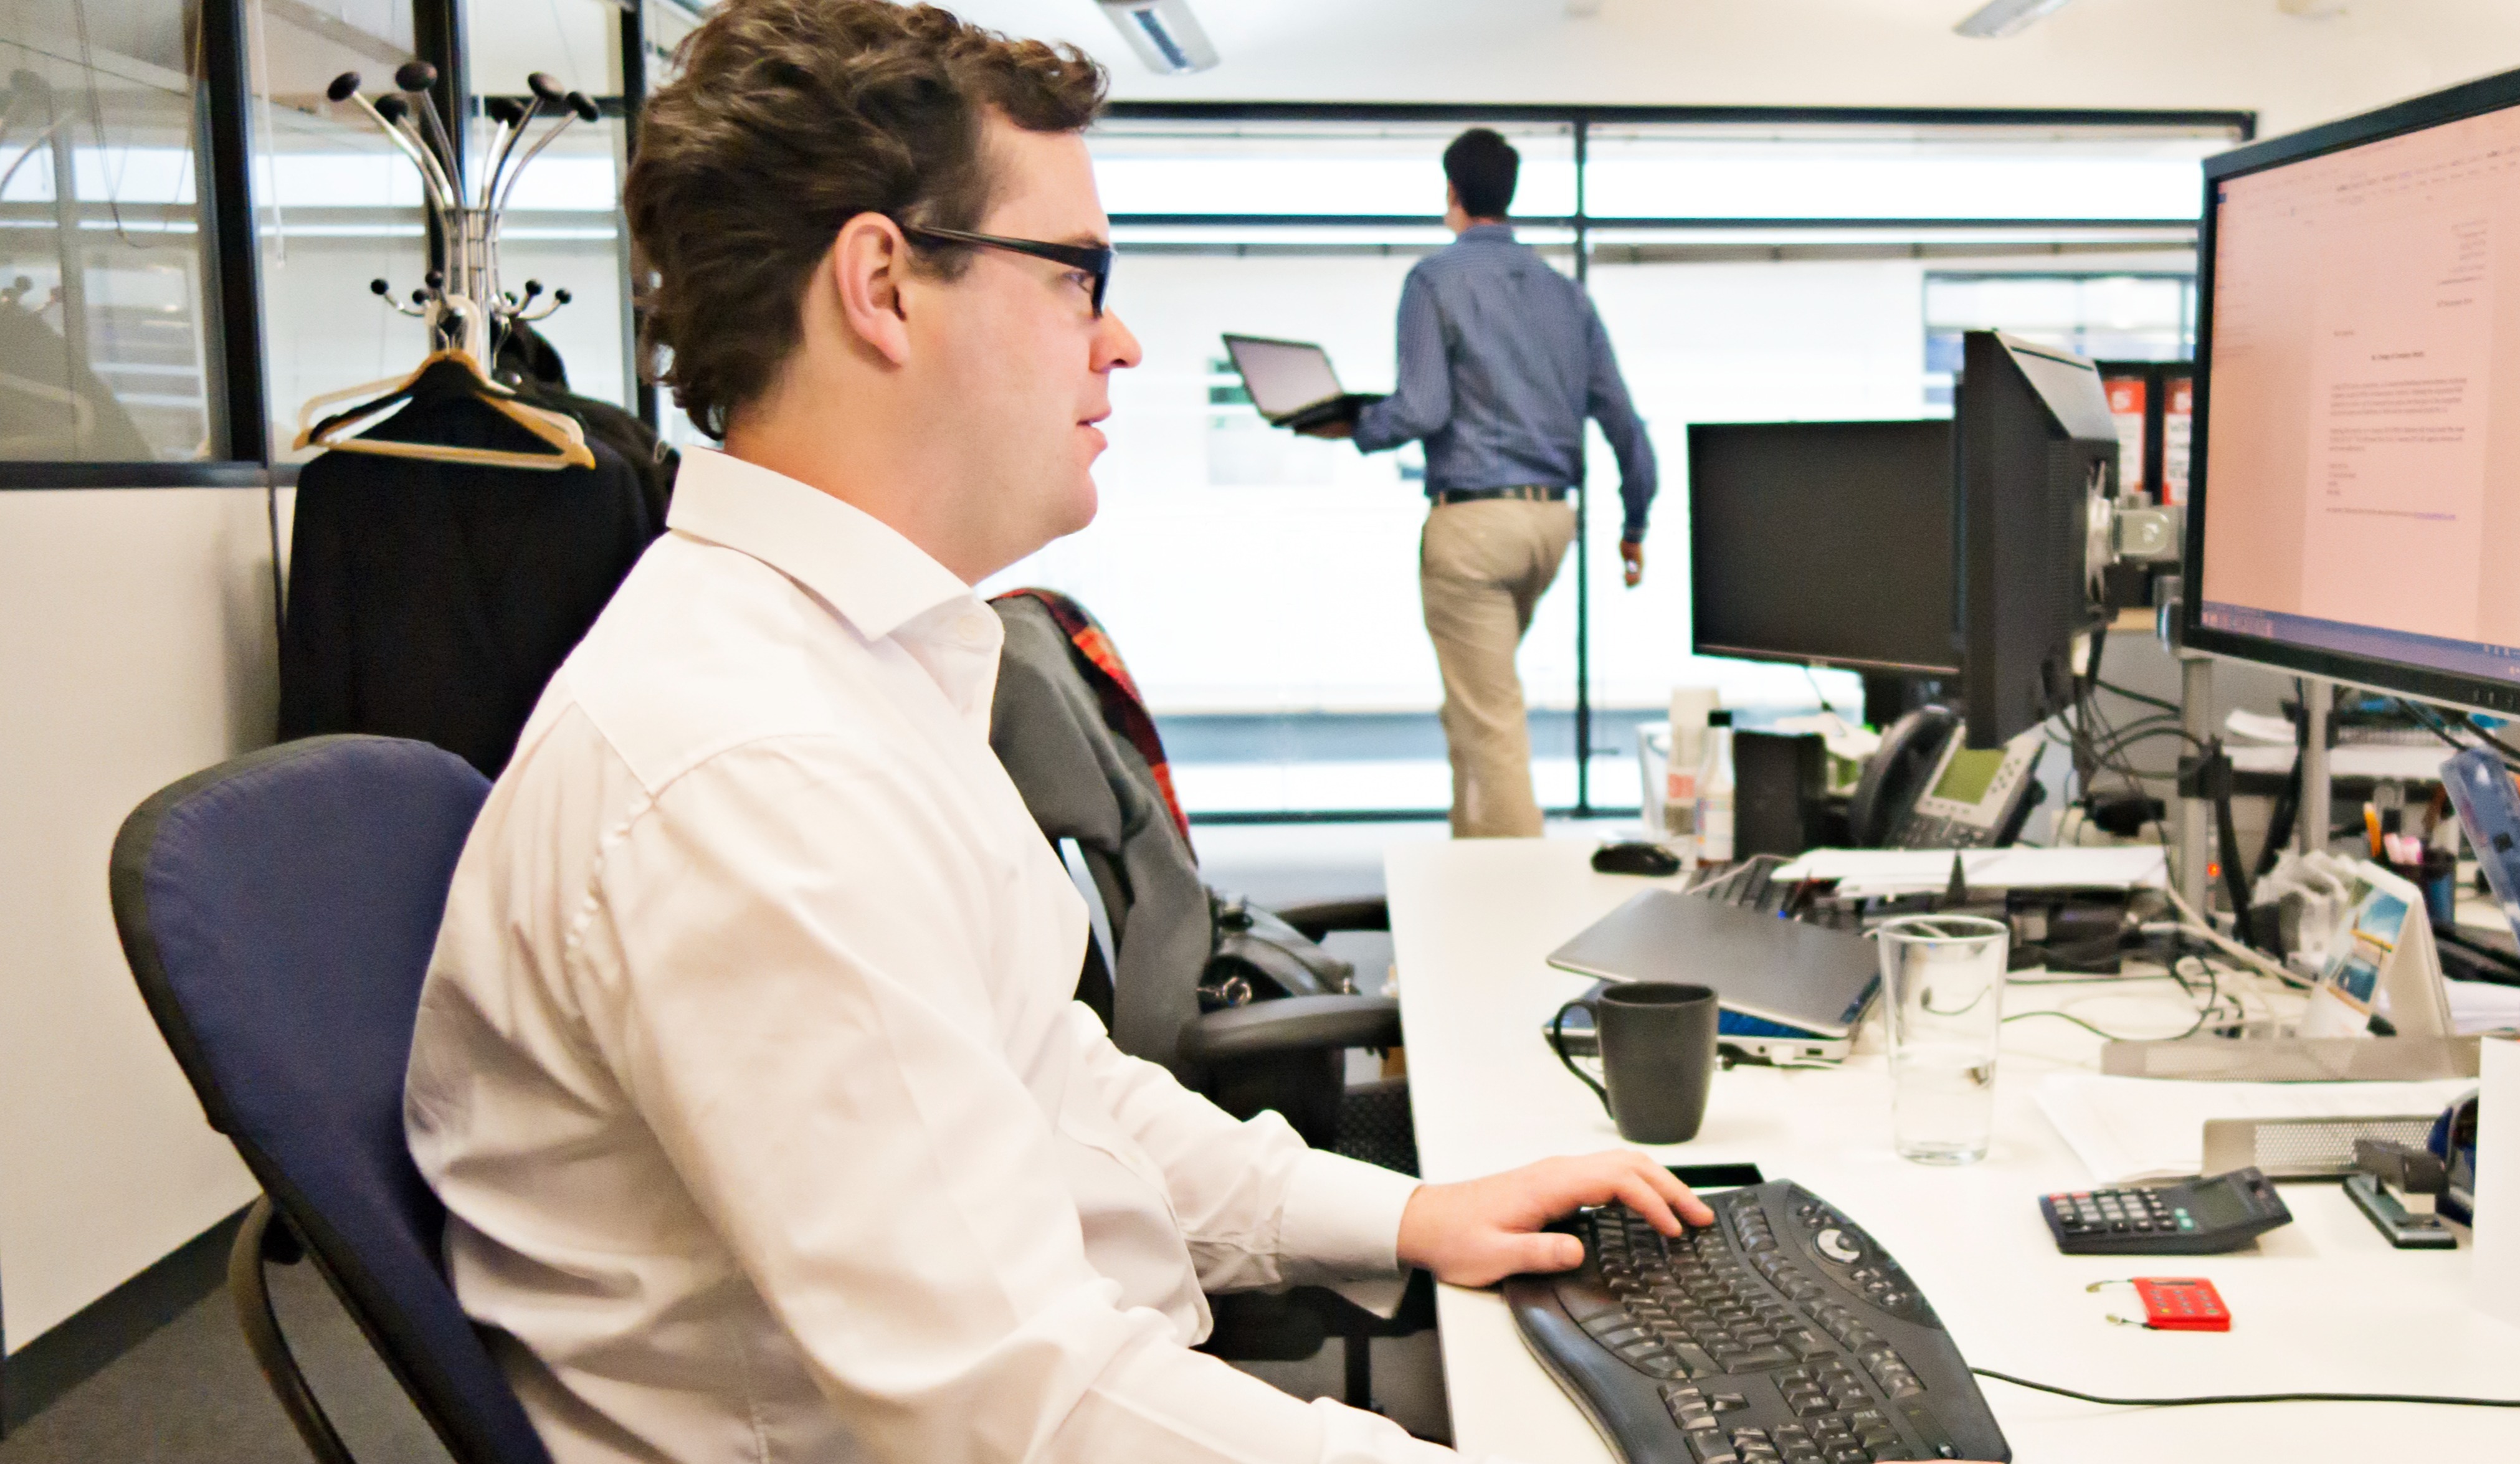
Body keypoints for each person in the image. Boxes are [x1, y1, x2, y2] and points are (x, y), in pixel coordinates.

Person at [402, 4, 1711, 1462]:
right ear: (884, 287)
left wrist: (1400, 1212)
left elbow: (1055, 1085)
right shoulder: (751, 769)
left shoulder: (863, 667)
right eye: (1079, 275)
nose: (1123, 338)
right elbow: (1018, 1401)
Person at [1315, 128, 1659, 840]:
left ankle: (1519, 902)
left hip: (1474, 528)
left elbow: (1421, 409)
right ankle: (1466, 864)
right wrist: (1634, 527)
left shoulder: (1433, 280)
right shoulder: (1567, 297)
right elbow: (1624, 422)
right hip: (1549, 530)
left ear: (1451, 193)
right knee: (1473, 704)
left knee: (1491, 719)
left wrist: (1356, 426)